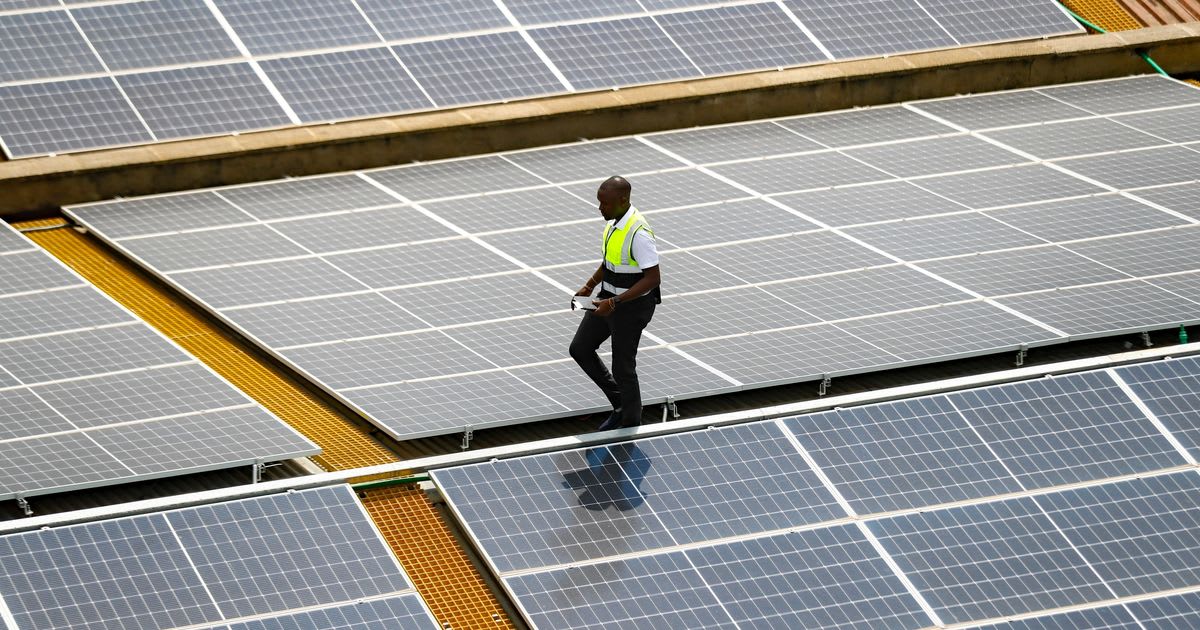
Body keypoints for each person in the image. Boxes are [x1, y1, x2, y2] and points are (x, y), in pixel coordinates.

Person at [569, 176, 661, 431]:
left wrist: (615, 301)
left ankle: (630, 424)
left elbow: (653, 278)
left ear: (623, 200)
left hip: (631, 308)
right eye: (599, 202)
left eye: (605, 204)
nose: (600, 208)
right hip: (606, 300)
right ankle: (621, 404)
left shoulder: (639, 233)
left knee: (623, 367)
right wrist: (589, 285)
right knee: (580, 348)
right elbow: (610, 262)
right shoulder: (612, 223)